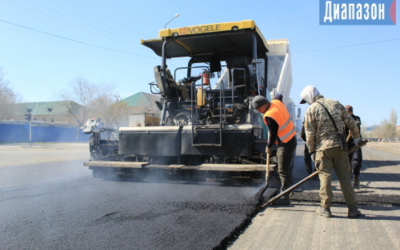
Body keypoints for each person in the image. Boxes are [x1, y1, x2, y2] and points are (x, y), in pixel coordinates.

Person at [300, 85, 364, 218]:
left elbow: (310, 134)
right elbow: (351, 123)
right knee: (345, 178)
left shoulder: (311, 109)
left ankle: (325, 208)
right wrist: (357, 138)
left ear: (309, 97)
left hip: (323, 149)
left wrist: (311, 151)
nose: (308, 103)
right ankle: (352, 209)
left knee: (325, 177)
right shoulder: (335, 103)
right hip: (340, 147)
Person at [252, 94, 297, 205]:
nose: (259, 111)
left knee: (282, 169)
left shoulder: (270, 115)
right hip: (291, 138)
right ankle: (288, 190)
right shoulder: (276, 102)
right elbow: (280, 95)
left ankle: (284, 197)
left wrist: (269, 146)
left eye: (259, 109)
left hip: (285, 142)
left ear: (263, 105)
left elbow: (272, 133)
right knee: (286, 167)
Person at [345, 105, 363, 187]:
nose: (348, 113)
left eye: (349, 112)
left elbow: (357, 125)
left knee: (356, 162)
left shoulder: (356, 118)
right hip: (346, 144)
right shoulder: (342, 120)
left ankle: (356, 176)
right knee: (346, 164)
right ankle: (347, 181)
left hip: (356, 144)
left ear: (352, 112)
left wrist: (353, 127)